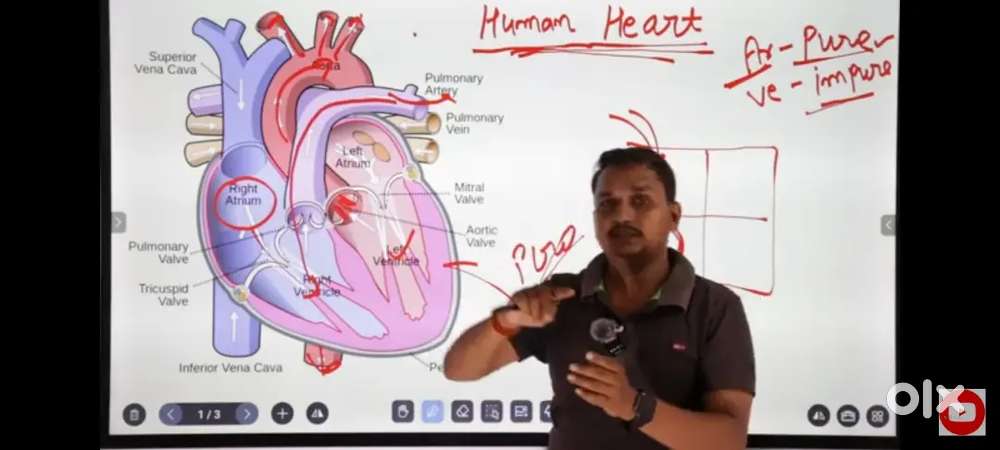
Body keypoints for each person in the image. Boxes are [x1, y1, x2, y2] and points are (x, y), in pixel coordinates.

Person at [443, 148, 756, 450]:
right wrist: (504, 322)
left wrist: (634, 406)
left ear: (673, 216)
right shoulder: (562, 296)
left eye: (640, 201)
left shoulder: (715, 306)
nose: (622, 215)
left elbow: (729, 441)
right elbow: (459, 370)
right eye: (607, 204)